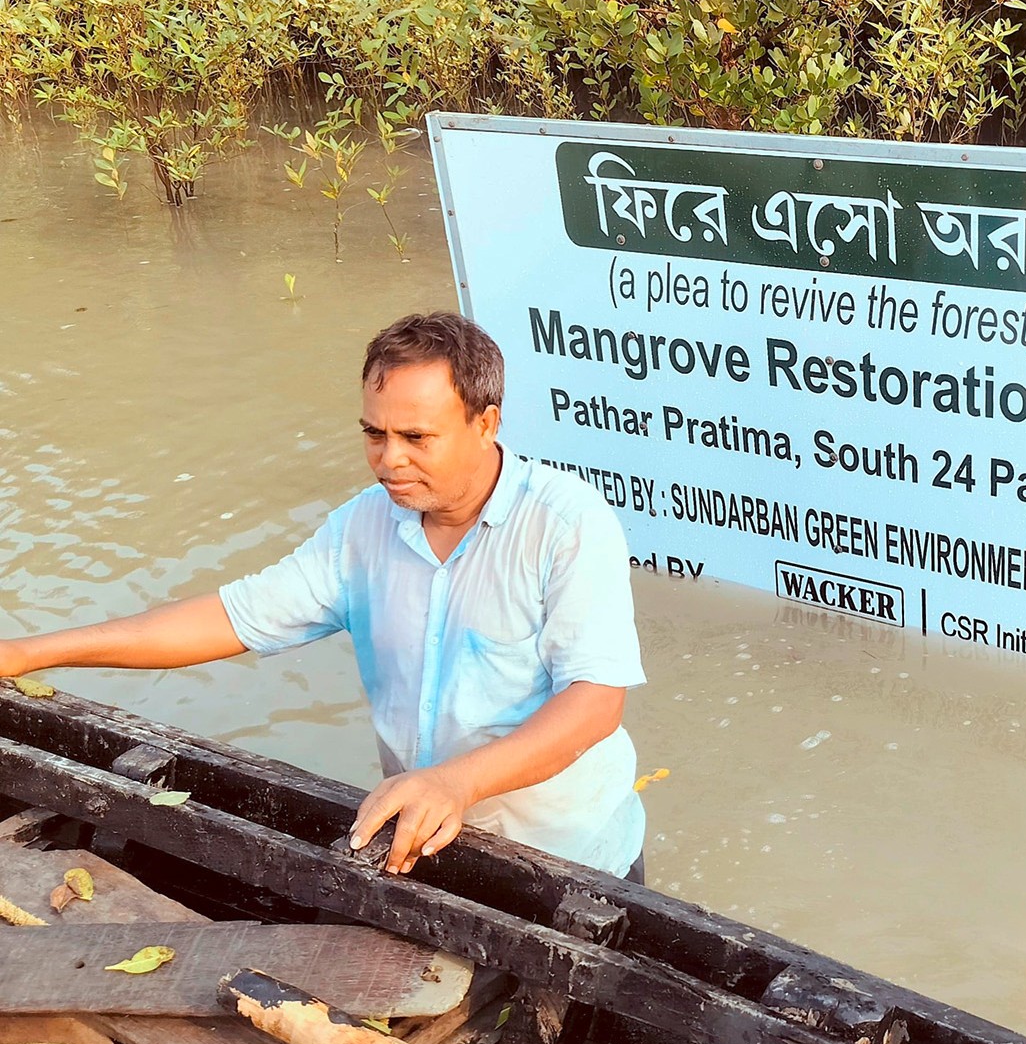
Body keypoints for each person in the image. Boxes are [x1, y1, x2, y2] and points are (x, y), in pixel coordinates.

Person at [0, 312, 650, 882]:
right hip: (423, 836)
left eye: (416, 438)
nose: (388, 460)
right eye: (374, 434)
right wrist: (28, 654)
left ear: (486, 424)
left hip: (570, 856)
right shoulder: (363, 528)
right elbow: (229, 617)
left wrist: (458, 780)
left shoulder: (565, 523)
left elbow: (595, 703)